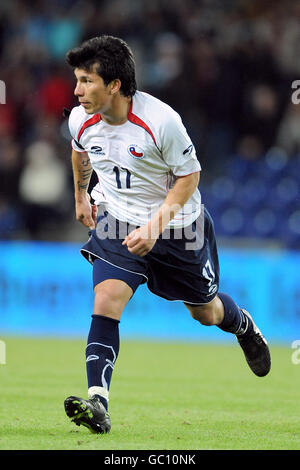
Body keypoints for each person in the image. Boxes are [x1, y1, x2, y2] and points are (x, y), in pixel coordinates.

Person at [63, 35, 271, 434]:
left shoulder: (162, 122)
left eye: (87, 81)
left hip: (177, 230)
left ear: (115, 85)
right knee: (106, 298)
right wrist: (80, 197)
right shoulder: (80, 118)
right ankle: (98, 402)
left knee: (204, 313)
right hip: (116, 221)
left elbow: (190, 176)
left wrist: (154, 227)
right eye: (77, 80)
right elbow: (79, 150)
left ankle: (243, 325)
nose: (78, 91)